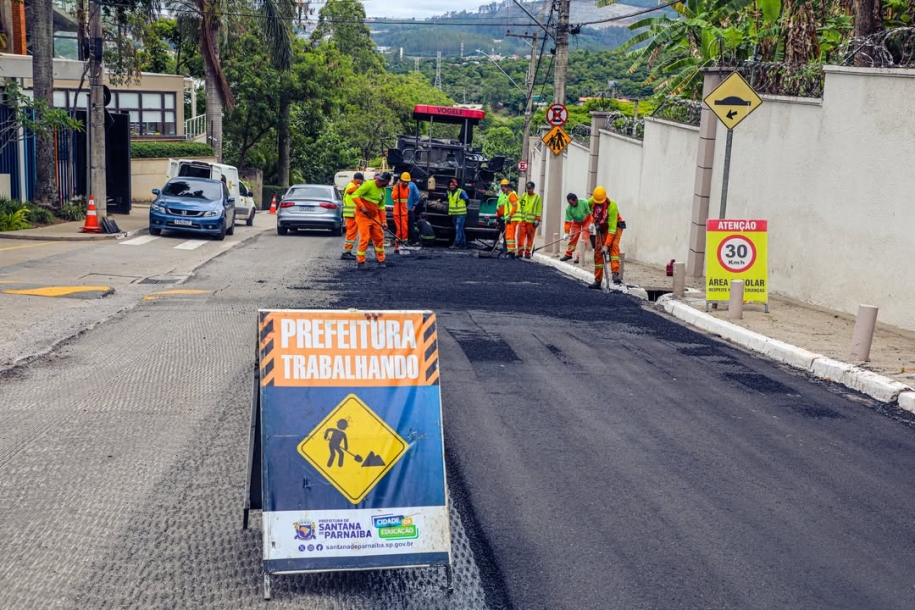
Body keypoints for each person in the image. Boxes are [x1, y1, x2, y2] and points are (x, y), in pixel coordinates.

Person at [352, 171, 392, 269]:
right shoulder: (369, 185)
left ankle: (381, 260)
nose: (379, 182)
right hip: (363, 216)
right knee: (365, 238)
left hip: (374, 216)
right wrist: (362, 206)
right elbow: (355, 195)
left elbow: (381, 207)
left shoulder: (383, 190)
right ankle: (361, 262)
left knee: (379, 238)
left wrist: (383, 221)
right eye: (380, 180)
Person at [587, 186, 624, 288]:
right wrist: (593, 222)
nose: (598, 204)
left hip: (615, 226)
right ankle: (597, 280)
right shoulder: (592, 201)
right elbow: (589, 210)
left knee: (613, 246)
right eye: (597, 202)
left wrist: (606, 245)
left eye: (600, 203)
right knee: (598, 250)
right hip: (602, 226)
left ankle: (615, 274)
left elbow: (612, 229)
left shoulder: (612, 206)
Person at [560, 192, 592, 263]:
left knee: (584, 240)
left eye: (571, 203)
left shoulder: (584, 202)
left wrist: (592, 224)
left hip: (586, 221)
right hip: (576, 222)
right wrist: (566, 232)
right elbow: (567, 221)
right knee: (572, 238)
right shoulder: (569, 208)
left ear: (576, 200)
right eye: (569, 203)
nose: (570, 205)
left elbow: (591, 213)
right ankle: (568, 254)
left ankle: (579, 256)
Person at [340, 172, 364, 260]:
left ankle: (347, 252)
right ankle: (346, 253)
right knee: (351, 233)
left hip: (351, 214)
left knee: (351, 233)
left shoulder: (350, 185)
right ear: (358, 180)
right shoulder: (351, 185)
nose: (362, 182)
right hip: (351, 214)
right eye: (361, 181)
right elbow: (350, 191)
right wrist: (358, 187)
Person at [516, 181, 542, 259]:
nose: (528, 190)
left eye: (530, 188)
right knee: (520, 237)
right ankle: (520, 252)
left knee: (530, 238)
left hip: (531, 222)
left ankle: (527, 253)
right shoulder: (523, 196)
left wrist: (537, 219)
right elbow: (518, 205)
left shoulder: (537, 198)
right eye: (527, 188)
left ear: (533, 188)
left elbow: (538, 209)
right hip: (523, 221)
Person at [442, 177, 469, 249]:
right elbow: (444, 197)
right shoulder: (448, 192)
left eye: (452, 185)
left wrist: (463, 207)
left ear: (456, 185)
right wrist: (439, 200)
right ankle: (463, 244)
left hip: (461, 214)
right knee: (460, 229)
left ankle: (456, 244)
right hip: (454, 214)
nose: (451, 186)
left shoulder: (461, 192)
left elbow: (467, 200)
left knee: (458, 229)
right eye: (450, 185)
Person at [496, 180, 520, 257]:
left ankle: (511, 252)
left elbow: (515, 206)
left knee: (510, 236)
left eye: (504, 187)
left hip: (511, 219)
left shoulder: (512, 195)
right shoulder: (508, 195)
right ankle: (511, 251)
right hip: (509, 219)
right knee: (509, 236)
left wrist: (510, 216)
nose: (503, 189)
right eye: (502, 187)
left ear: (508, 188)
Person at [390, 173, 412, 254]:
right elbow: (393, 197)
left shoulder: (408, 188)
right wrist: (398, 187)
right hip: (397, 212)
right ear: (401, 181)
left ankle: (404, 244)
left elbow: (405, 198)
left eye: (407, 182)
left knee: (405, 229)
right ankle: (397, 246)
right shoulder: (396, 187)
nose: (406, 183)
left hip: (404, 212)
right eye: (404, 182)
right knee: (400, 230)